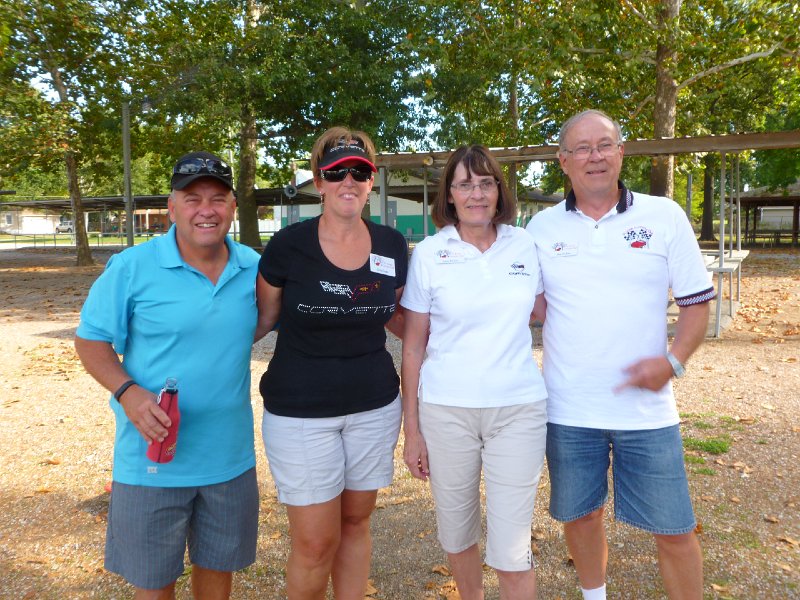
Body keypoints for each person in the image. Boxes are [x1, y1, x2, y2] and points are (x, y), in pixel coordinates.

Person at [526, 109, 715, 600]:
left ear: (621, 152)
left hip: (648, 413)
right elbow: (532, 304)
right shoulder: (540, 228)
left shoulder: (664, 216)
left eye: (605, 144)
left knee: (675, 529)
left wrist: (673, 362)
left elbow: (697, 304)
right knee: (581, 516)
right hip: (569, 408)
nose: (595, 156)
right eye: (582, 148)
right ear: (563, 162)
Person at [75, 151, 260, 599]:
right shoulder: (132, 267)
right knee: (154, 585)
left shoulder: (255, 268)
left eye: (218, 198)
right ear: (172, 207)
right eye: (192, 198)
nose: (206, 210)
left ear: (233, 206)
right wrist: (128, 392)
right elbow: (91, 340)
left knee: (217, 576)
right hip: (151, 461)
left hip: (229, 459)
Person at [254, 127, 407, 599]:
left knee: (357, 522)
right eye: (336, 171)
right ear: (318, 182)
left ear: (371, 180)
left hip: (375, 407)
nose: (349, 180)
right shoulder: (287, 246)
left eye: (359, 171)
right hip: (301, 412)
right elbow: (263, 320)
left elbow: (400, 321)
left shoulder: (392, 244)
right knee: (316, 540)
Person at [401, 145, 549, 600]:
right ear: (449, 194)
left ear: (499, 191)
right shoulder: (428, 254)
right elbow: (412, 346)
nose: (477, 194)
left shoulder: (526, 244)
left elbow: (547, 310)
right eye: (465, 184)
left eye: (486, 183)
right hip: (447, 410)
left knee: (511, 544)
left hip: (518, 409)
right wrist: (413, 430)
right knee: (457, 529)